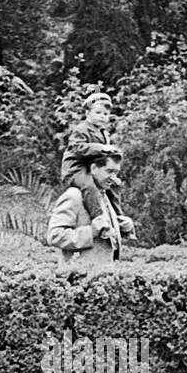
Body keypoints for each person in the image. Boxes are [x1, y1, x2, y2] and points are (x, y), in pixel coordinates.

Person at [60, 93, 138, 247]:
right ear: (88, 113)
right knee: (90, 186)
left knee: (114, 184)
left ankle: (118, 219)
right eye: (98, 113)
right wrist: (101, 148)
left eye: (106, 114)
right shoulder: (82, 129)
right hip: (76, 169)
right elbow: (77, 148)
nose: (102, 117)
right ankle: (100, 222)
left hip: (94, 168)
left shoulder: (104, 133)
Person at [47, 149, 135, 265]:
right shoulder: (73, 196)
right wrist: (91, 232)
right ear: (93, 168)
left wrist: (122, 227)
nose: (114, 178)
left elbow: (105, 240)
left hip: (105, 277)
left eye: (116, 173)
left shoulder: (105, 196)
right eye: (109, 171)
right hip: (79, 278)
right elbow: (54, 236)